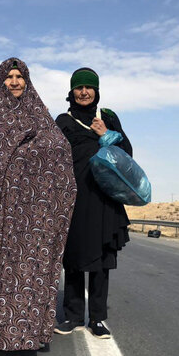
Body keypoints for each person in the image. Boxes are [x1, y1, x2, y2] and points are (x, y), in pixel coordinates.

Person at [0, 58, 76, 351]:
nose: (15, 81)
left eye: (20, 76)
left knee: (23, 272)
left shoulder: (41, 120)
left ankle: (21, 335)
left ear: (28, 81)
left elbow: (60, 151)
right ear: (0, 82)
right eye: (9, 77)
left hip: (30, 215)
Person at [54, 67, 133, 339]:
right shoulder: (62, 122)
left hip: (104, 200)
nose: (84, 92)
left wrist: (105, 135)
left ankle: (97, 319)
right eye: (79, 87)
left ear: (97, 91)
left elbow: (127, 156)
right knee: (73, 257)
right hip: (74, 199)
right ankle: (73, 316)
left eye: (89, 87)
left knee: (101, 259)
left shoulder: (108, 118)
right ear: (71, 91)